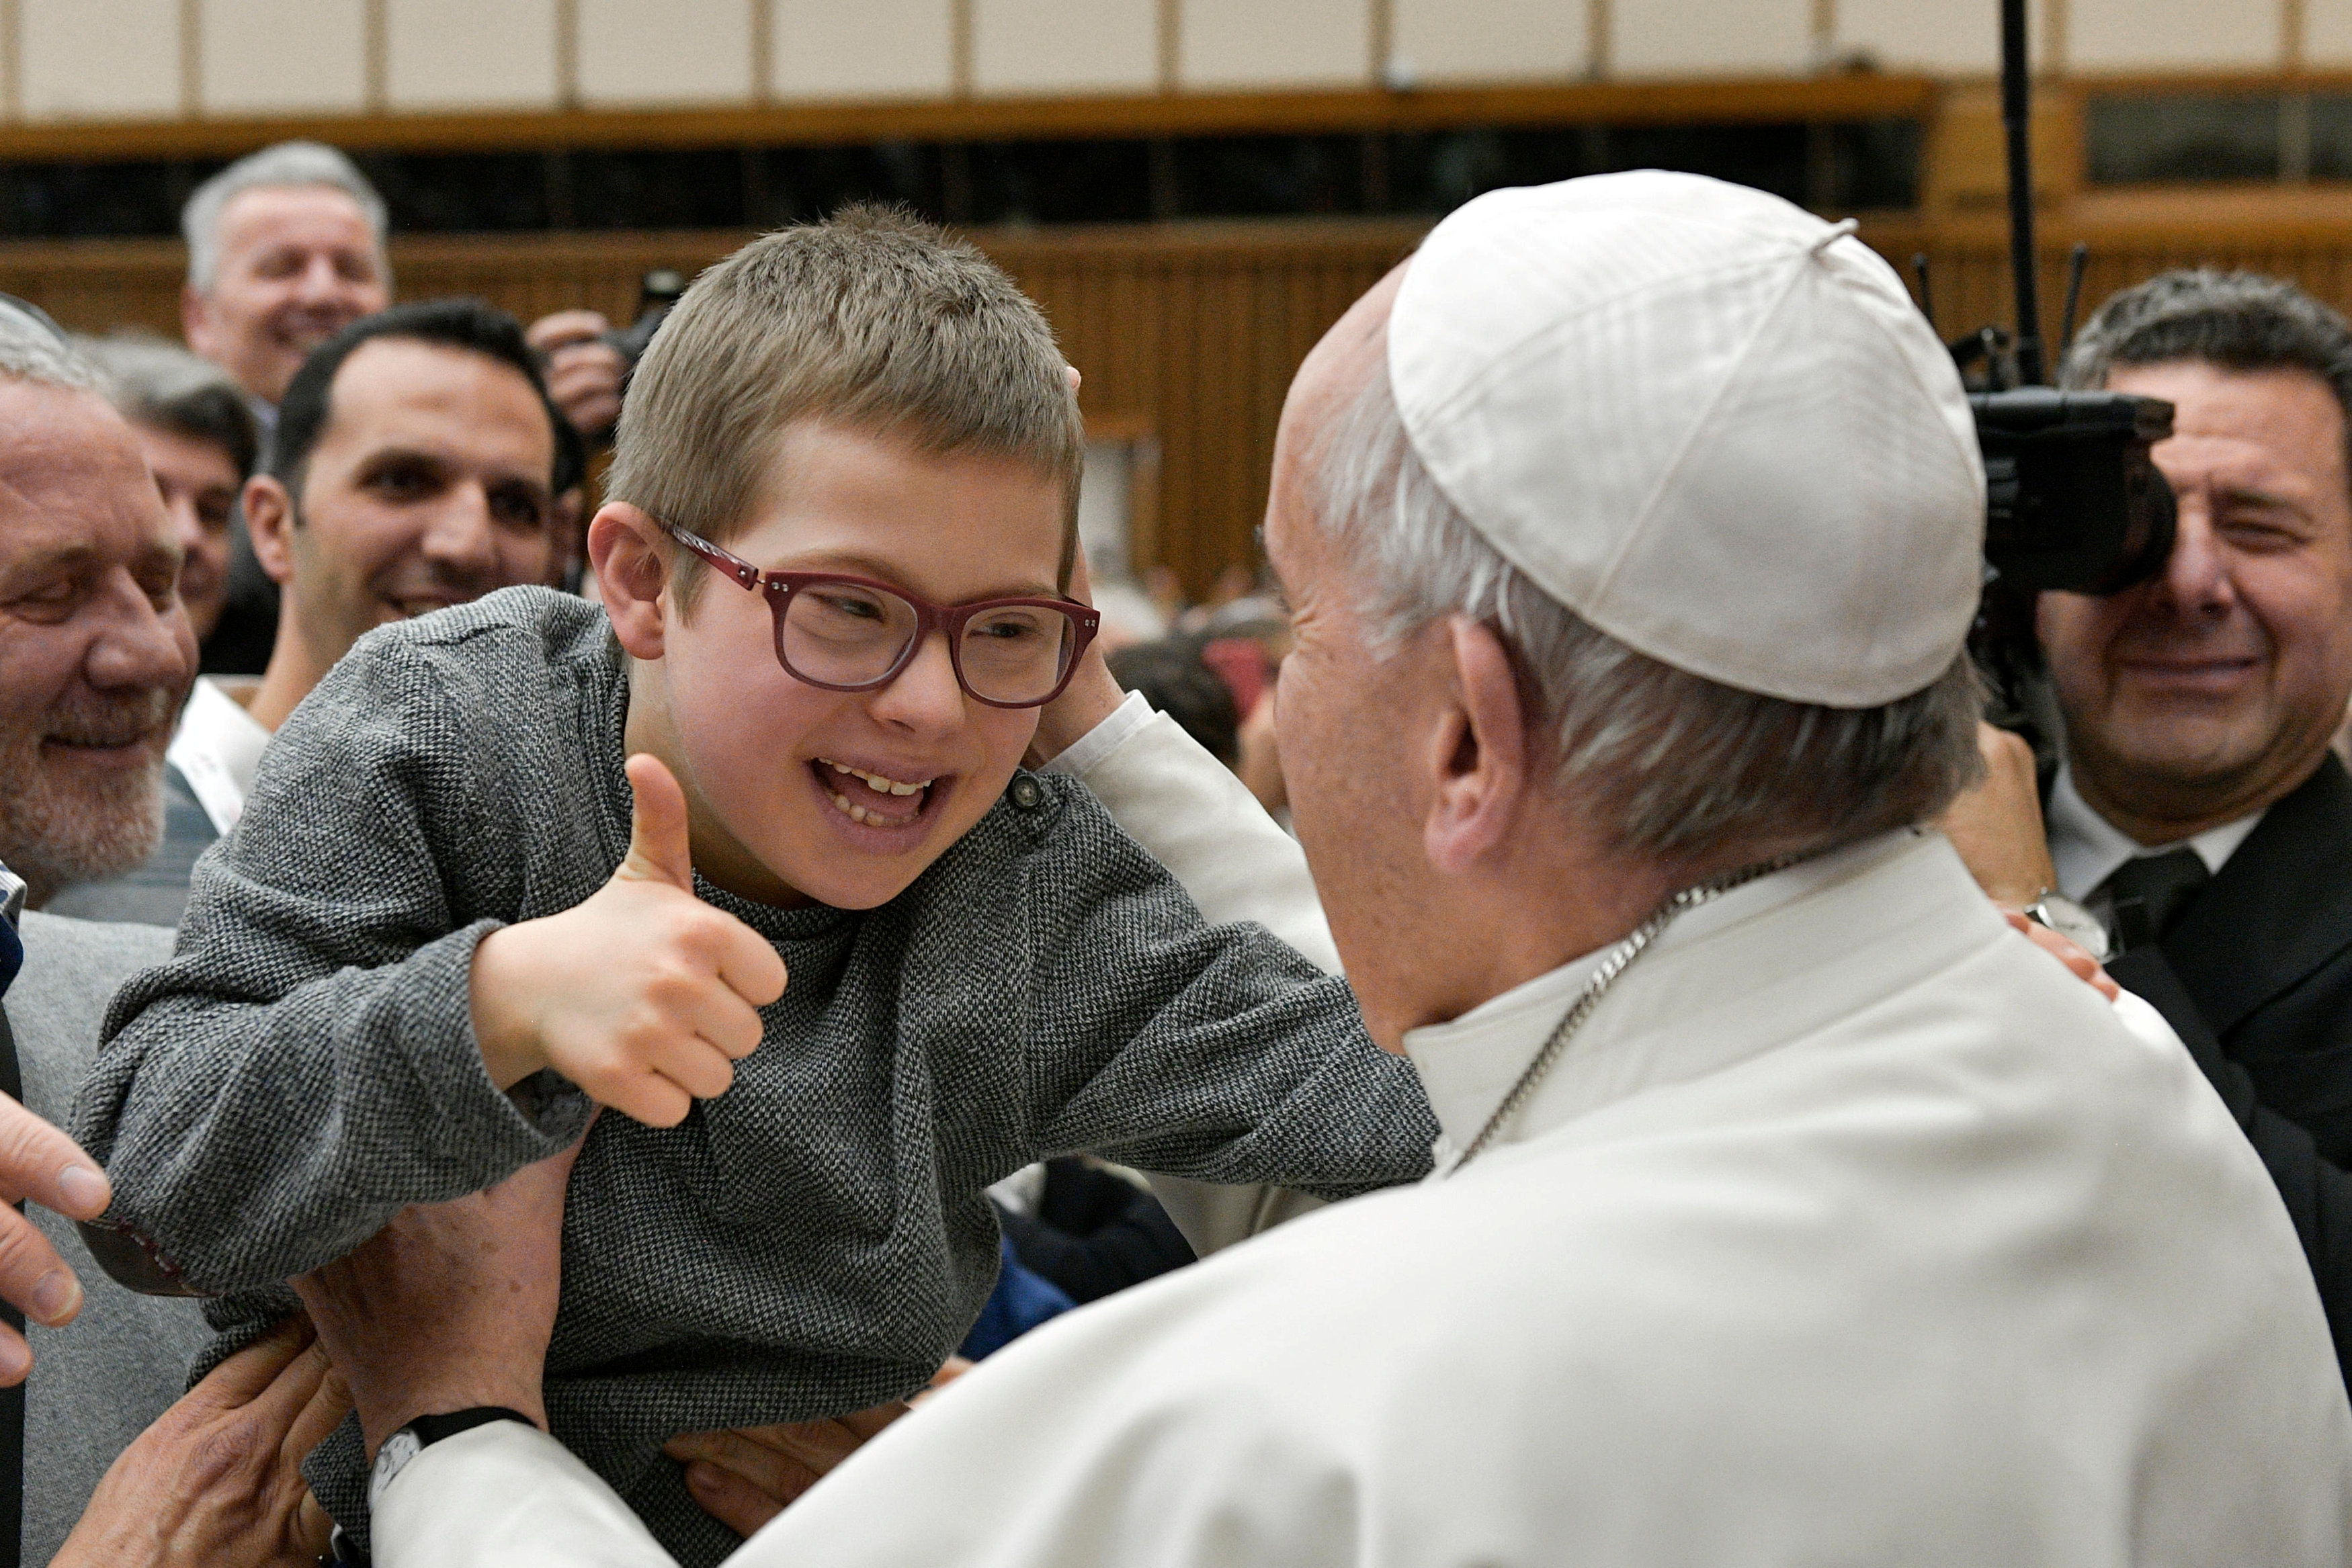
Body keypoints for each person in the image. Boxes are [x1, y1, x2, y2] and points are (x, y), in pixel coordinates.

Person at [329, 172, 2347, 1568]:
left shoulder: (1282, 1439)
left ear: (1463, 735)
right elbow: (1507, 1020)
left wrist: (455, 1431)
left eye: (1299, 624)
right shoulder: (2127, 1090)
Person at [75, 208, 1435, 1564]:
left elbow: (1436, 1103)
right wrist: (496, 1004)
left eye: (1005, 630)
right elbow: (143, 1193)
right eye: (846, 608)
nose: (929, 704)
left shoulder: (1022, 888)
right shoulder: (445, 732)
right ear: (642, 581)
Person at [2029, 270, 2352, 1377]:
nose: (2189, 579)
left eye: (2260, 524)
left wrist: (2034, 921)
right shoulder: (1871, 864)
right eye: (2136, 519)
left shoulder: (1982, 881)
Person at [61, 299, 585, 928]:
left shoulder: (590, 871)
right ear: (274, 526)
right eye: (403, 481)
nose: (468, 543)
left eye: (514, 504)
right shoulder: (87, 843)